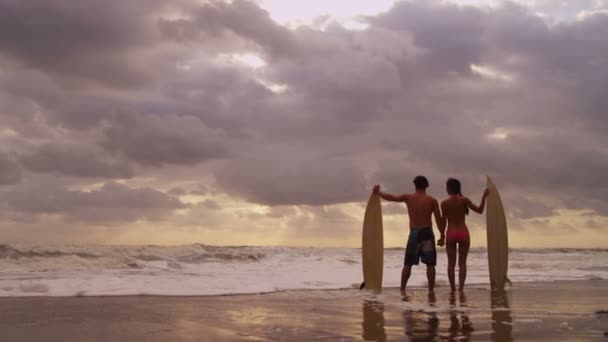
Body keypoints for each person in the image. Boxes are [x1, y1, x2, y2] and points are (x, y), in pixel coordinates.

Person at [373, 176, 443, 293]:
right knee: (430, 264)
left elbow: (392, 198)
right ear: (426, 186)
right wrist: (442, 236)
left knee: (408, 263)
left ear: (414, 185)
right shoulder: (432, 201)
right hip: (427, 232)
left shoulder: (409, 198)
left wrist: (378, 193)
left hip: (414, 233)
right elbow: (439, 220)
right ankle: (431, 290)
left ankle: (402, 289)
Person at [437, 178, 489, 292]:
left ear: (450, 188)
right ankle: (460, 288)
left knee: (451, 264)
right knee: (462, 264)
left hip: (451, 233)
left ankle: (453, 289)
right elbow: (480, 210)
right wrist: (484, 197)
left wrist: (442, 236)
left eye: (447, 187)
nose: (446, 189)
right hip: (463, 233)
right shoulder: (464, 200)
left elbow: (443, 221)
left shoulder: (444, 203)